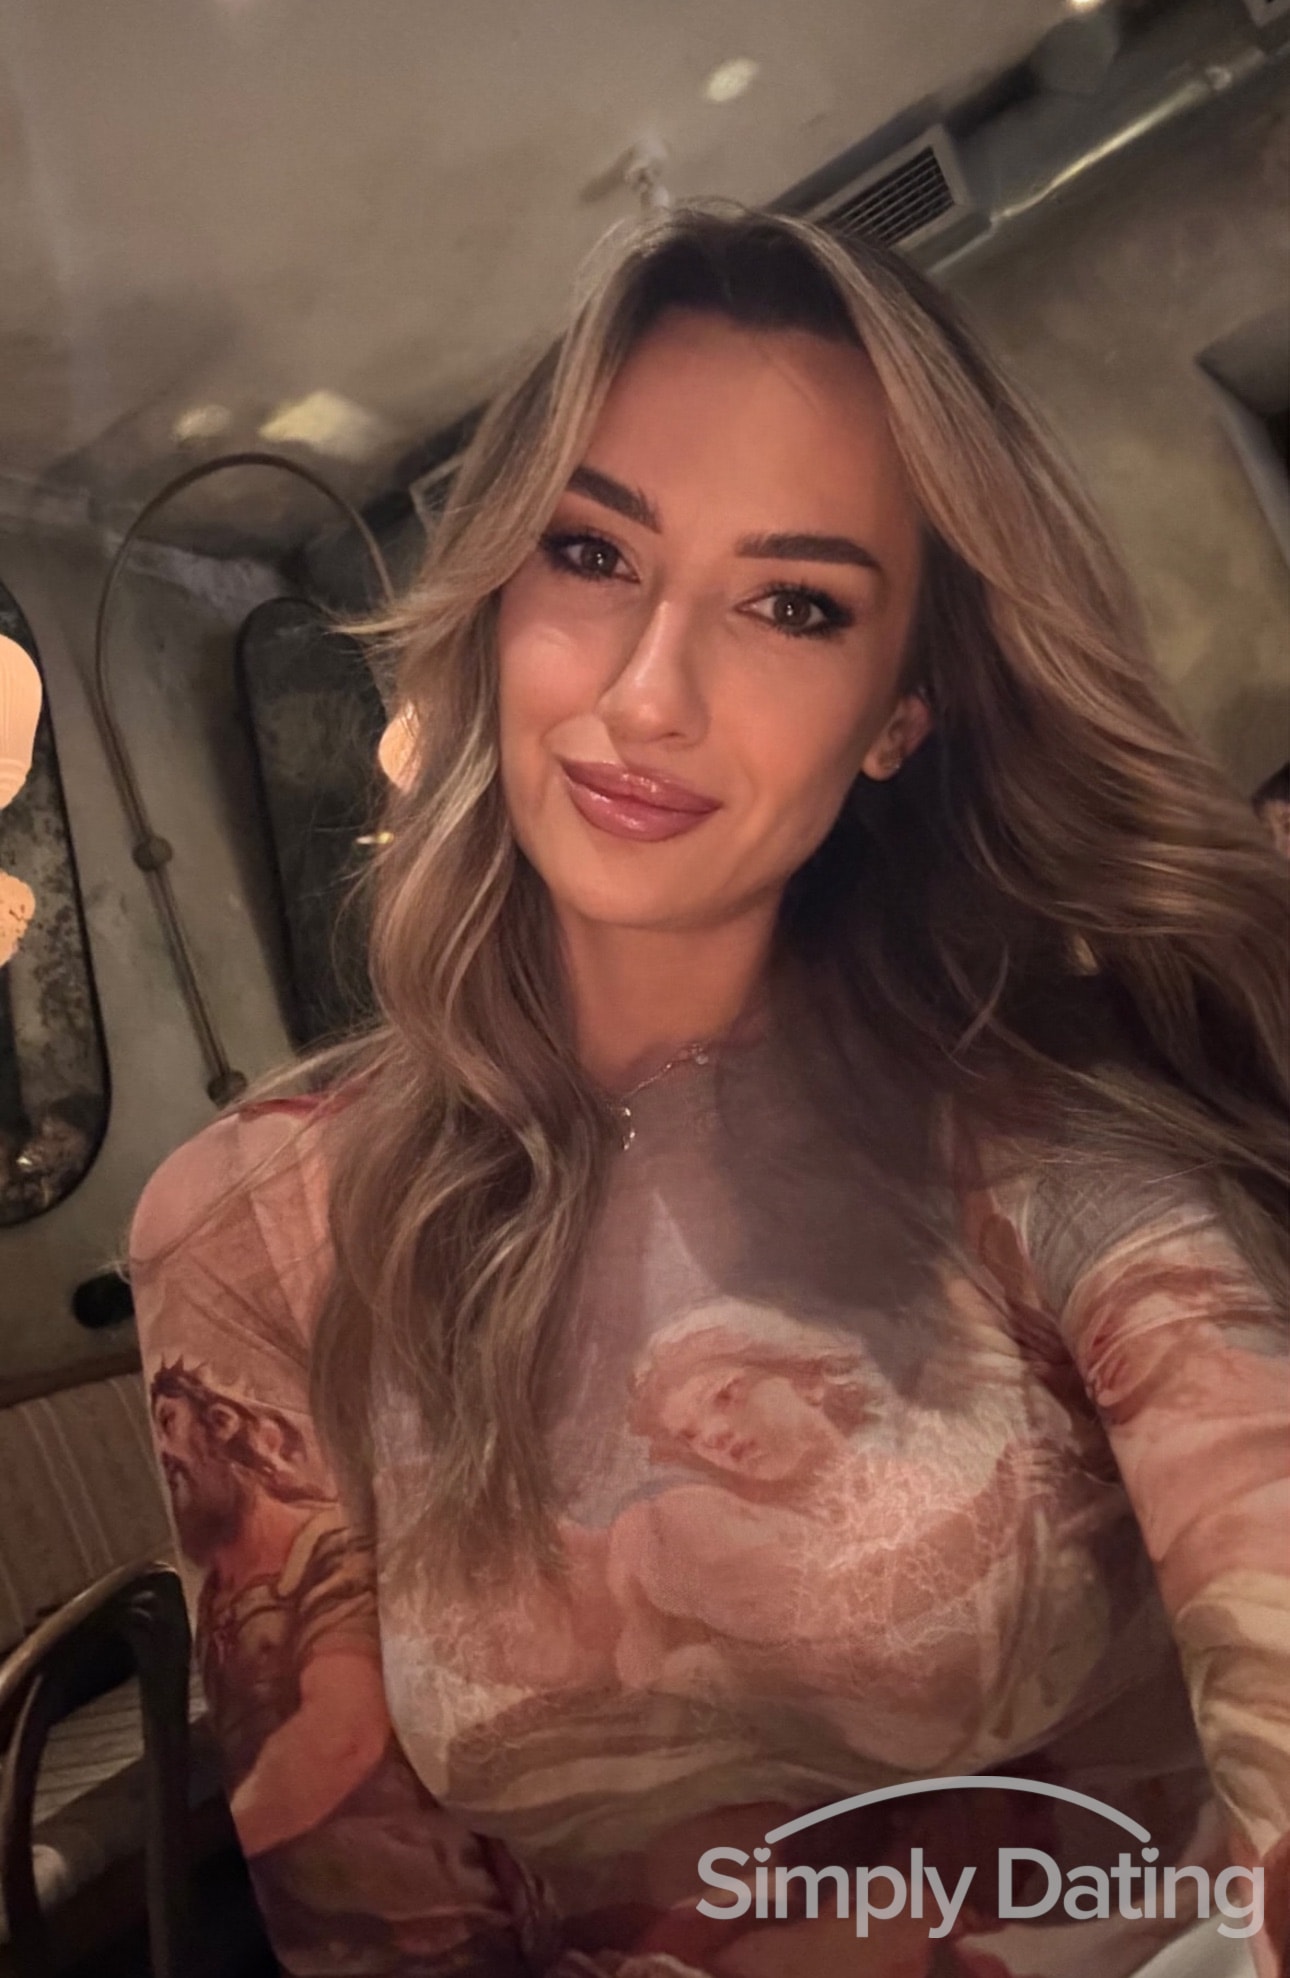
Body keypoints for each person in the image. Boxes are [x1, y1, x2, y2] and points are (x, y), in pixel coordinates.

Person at [128, 208, 1289, 1978]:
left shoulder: (1045, 1125)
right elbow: (371, 1912)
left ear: (897, 712)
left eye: (792, 604)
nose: (646, 693)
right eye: (592, 554)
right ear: (497, 595)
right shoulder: (253, 1224)